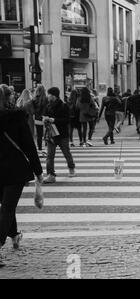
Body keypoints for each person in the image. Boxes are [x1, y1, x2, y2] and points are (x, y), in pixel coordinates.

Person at [0, 88, 44, 267]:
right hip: (13, 169)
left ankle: (15, 235)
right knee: (7, 208)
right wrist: (38, 171)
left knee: (6, 207)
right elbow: (28, 145)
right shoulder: (16, 117)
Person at [43, 87, 76, 184]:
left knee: (66, 153)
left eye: (49, 94)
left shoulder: (63, 106)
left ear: (54, 95)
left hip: (62, 134)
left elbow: (67, 120)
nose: (47, 96)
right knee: (50, 156)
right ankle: (51, 175)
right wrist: (45, 119)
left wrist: (55, 120)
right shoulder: (48, 106)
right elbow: (44, 115)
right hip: (51, 133)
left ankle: (71, 168)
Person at [32, 85, 48, 157]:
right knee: (47, 135)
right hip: (45, 118)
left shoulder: (34, 99)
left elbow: (33, 110)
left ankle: (40, 149)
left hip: (37, 119)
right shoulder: (46, 99)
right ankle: (46, 148)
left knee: (39, 135)